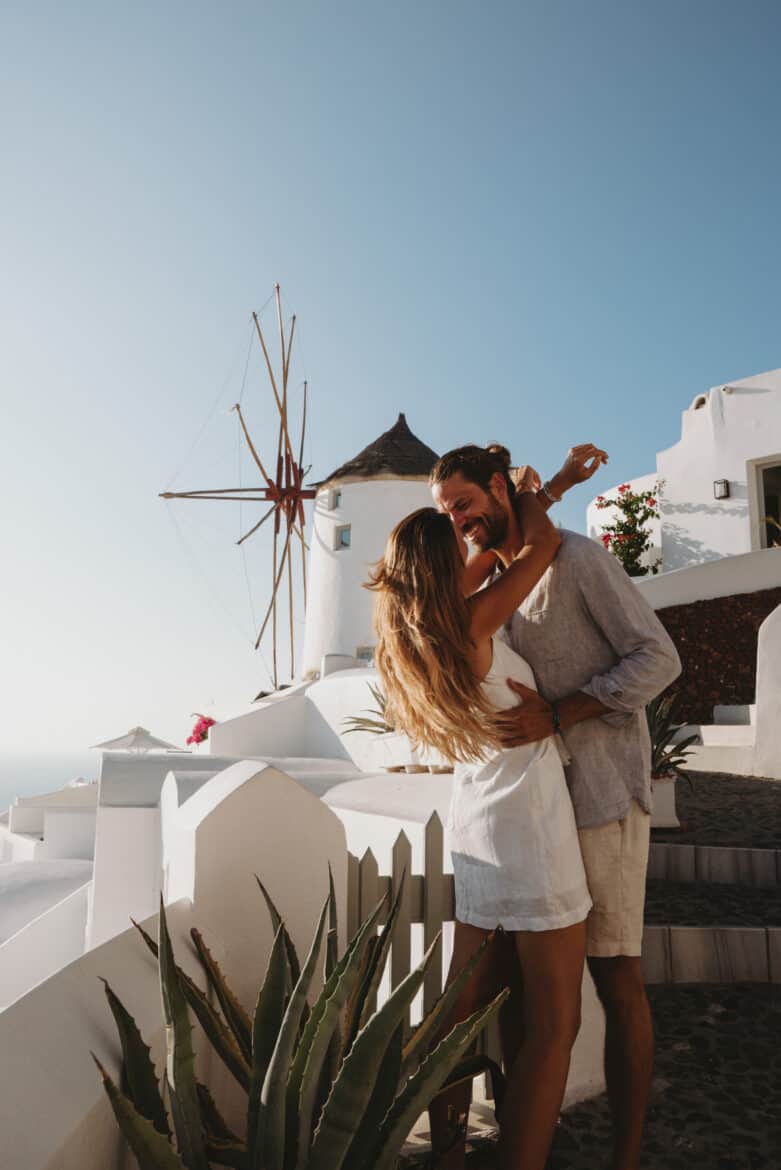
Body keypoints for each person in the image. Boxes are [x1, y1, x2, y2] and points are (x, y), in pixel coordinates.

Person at [430, 444, 682, 1170]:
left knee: (615, 976)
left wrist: (562, 712)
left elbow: (658, 659)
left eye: (465, 501)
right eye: (448, 510)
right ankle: (520, 1139)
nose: (459, 518)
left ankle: (625, 1156)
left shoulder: (573, 559)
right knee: (523, 999)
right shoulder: (493, 581)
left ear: (499, 489)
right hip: (530, 821)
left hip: (599, 797)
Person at [369, 465, 594, 1170]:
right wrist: (531, 494)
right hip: (530, 832)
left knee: (455, 1020)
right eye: (456, 537)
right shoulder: (473, 621)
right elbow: (537, 546)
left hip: (474, 831)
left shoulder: (413, 637)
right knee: (553, 1024)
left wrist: (544, 482)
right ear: (441, 567)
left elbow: (495, 555)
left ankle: (448, 1158)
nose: (470, 539)